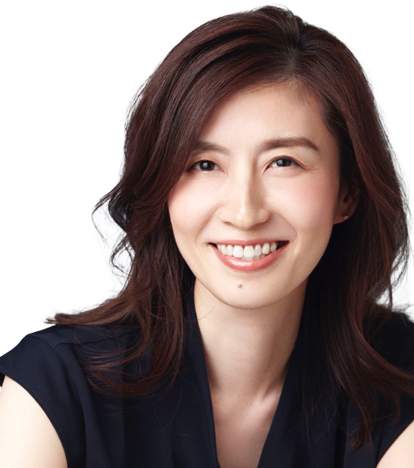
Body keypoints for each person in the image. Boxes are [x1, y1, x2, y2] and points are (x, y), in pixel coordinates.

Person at [0, 4, 413, 467]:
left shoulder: (403, 379)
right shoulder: (54, 386)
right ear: (161, 187)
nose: (244, 212)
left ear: (347, 192)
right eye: (204, 165)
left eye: (283, 162)